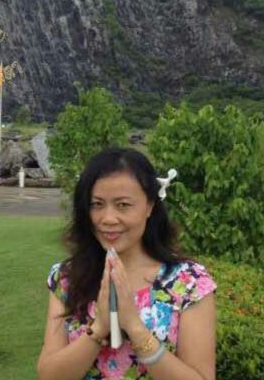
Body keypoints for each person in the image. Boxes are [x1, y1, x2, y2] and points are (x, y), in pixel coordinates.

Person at [37, 148, 217, 380]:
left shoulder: (189, 282)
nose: (108, 218)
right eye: (97, 204)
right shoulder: (67, 278)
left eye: (123, 205)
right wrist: (99, 329)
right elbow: (49, 375)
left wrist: (134, 327)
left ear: (150, 206)